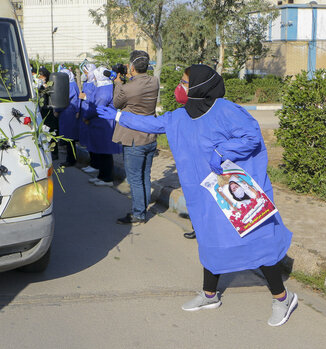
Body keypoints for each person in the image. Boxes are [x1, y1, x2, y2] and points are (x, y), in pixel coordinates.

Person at [97, 64, 296, 327]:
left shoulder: (226, 110)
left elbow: (251, 137)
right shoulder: (180, 117)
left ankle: (282, 298)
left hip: (231, 190)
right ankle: (209, 295)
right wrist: (120, 117)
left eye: (185, 83)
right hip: (203, 194)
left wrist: (223, 151)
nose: (181, 88)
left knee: (254, 238)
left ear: (202, 86)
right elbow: (153, 123)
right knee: (210, 240)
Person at [111, 50, 159, 224]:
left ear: (131, 66)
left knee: (134, 179)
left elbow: (116, 103)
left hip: (133, 139)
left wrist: (117, 83)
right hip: (150, 136)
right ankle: (143, 206)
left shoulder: (127, 88)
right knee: (145, 175)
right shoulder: (154, 81)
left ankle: (138, 213)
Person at [83, 66, 122, 186]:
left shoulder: (104, 89)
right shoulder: (103, 86)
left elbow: (97, 107)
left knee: (105, 152)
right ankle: (102, 176)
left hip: (103, 123)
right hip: (99, 123)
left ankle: (107, 179)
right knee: (101, 150)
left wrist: (87, 116)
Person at [55, 66, 80, 167]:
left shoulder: (69, 85)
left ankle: (71, 160)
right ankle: (70, 159)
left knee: (70, 139)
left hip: (68, 113)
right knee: (69, 138)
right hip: (69, 113)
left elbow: (63, 99)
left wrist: (57, 110)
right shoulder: (71, 84)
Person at [78, 63, 98, 175]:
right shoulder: (86, 83)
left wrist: (85, 97)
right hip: (85, 113)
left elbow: (96, 98)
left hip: (91, 115)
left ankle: (95, 164)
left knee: (93, 141)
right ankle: (92, 163)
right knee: (88, 141)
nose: (84, 74)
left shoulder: (95, 84)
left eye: (86, 72)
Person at [37, 66, 59, 160]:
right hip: (39, 112)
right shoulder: (37, 85)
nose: (40, 78)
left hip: (48, 112)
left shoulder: (51, 85)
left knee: (51, 132)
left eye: (42, 76)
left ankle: (54, 152)